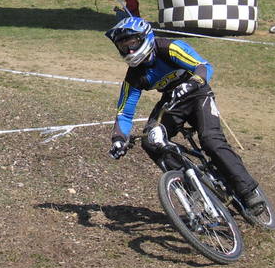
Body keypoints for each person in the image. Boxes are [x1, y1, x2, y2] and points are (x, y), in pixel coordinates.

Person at [104, 17, 266, 214]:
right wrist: (119, 139)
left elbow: (204, 66)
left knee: (211, 141)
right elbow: (124, 113)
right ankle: (193, 187)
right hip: (172, 101)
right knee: (150, 142)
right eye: (123, 46)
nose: (129, 51)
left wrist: (193, 82)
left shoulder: (169, 48)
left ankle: (248, 191)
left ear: (145, 37)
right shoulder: (134, 76)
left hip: (198, 93)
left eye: (132, 43)